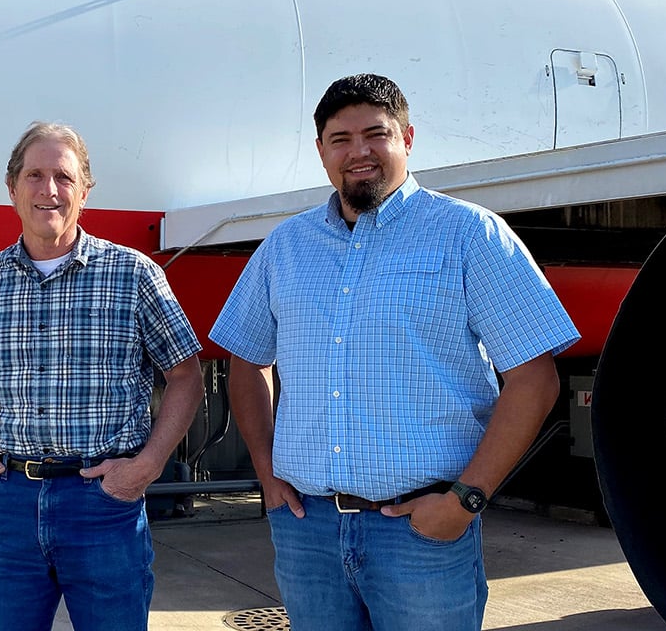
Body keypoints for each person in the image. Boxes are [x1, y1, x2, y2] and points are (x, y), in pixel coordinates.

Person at [210, 73, 579, 631]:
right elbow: (247, 360)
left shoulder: (470, 235)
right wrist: (266, 472)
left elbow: (535, 378)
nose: (358, 152)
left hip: (421, 533)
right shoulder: (285, 247)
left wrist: (465, 502)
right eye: (340, 139)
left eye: (375, 134)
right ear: (321, 152)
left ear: (407, 138)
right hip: (307, 530)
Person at [0, 121, 205, 631]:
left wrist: (146, 467)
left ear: (85, 189)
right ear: (11, 188)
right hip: (7, 501)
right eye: (34, 175)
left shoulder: (134, 274)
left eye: (63, 175)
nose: (48, 190)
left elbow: (186, 374)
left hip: (102, 503)